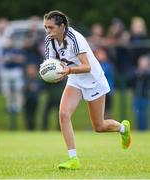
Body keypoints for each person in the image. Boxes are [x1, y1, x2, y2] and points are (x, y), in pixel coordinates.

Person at [43, 10, 131, 170]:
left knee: (99, 127)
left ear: (62, 26)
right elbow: (52, 63)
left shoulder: (74, 38)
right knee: (63, 114)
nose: (48, 31)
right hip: (75, 79)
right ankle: (73, 159)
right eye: (45, 28)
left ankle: (123, 128)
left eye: (51, 28)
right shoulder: (50, 40)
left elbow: (86, 66)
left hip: (93, 80)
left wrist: (68, 71)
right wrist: (53, 72)